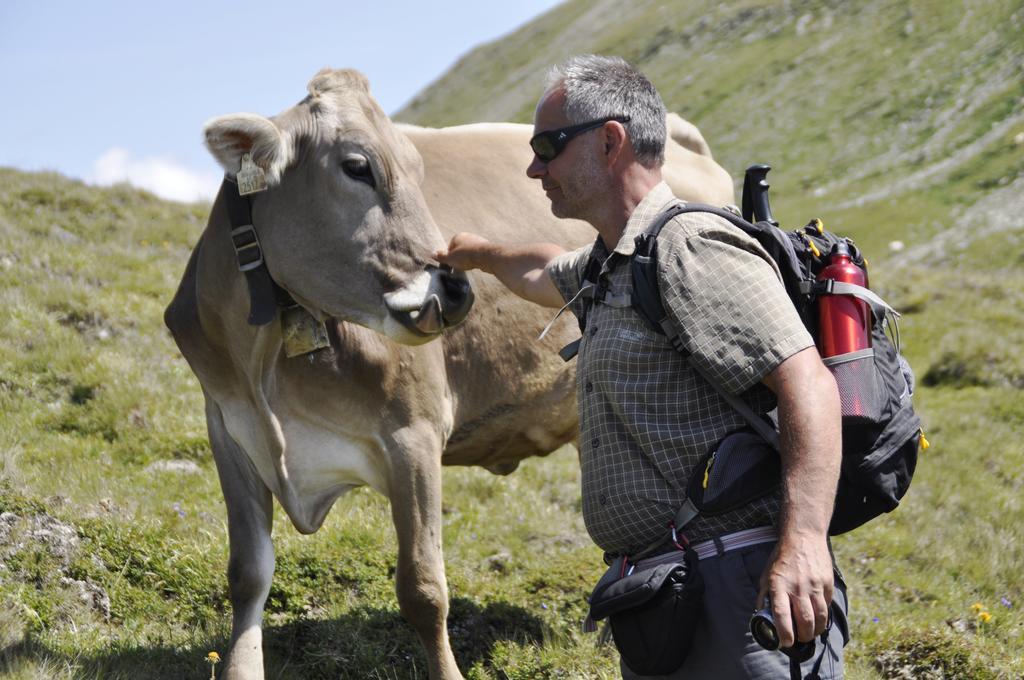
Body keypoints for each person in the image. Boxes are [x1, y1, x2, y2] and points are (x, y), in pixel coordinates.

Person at [435, 54, 848, 679]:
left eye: (548, 146)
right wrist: (473, 252)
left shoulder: (690, 249)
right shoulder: (614, 262)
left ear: (609, 141)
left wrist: (805, 542)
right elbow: (543, 269)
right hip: (670, 592)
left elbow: (807, 382)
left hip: (742, 588)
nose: (533, 166)